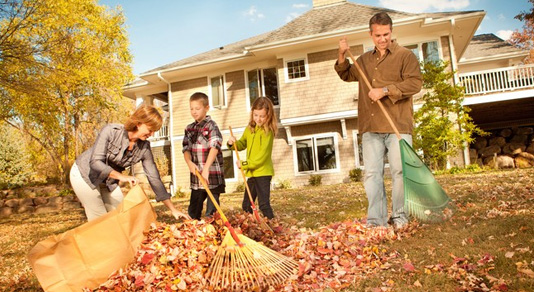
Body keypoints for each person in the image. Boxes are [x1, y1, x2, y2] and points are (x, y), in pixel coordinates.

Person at [334, 12, 422, 230]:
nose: (382, 39)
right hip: (371, 126)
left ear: (391, 32)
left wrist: (384, 91)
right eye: (378, 35)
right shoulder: (364, 60)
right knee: (372, 174)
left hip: (397, 125)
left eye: (386, 34)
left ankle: (400, 217)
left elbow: (415, 84)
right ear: (371, 35)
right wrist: (342, 54)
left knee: (400, 173)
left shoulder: (405, 56)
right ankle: (377, 221)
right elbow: (345, 74)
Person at [70, 104, 190, 221]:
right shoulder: (111, 131)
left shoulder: (144, 148)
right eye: (150, 129)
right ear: (138, 124)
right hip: (85, 175)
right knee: (100, 219)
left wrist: (173, 209)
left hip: (108, 181)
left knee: (124, 216)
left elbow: (154, 178)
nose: (152, 134)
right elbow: (95, 162)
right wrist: (122, 177)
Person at [227, 97, 277, 219]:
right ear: (252, 113)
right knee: (246, 205)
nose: (258, 119)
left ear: (268, 116)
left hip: (263, 174)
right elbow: (242, 144)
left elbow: (262, 157)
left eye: (262, 116)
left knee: (263, 204)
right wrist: (232, 143)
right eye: (256, 115)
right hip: (252, 174)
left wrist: (244, 164)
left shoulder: (267, 132)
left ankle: (273, 226)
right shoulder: (250, 129)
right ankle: (251, 226)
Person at [183, 92, 225, 220]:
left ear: (206, 108)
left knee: (211, 214)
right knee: (193, 212)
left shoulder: (211, 126)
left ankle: (212, 234)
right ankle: (194, 236)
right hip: (197, 179)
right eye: (191, 108)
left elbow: (215, 146)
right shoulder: (189, 129)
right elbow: (186, 148)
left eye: (197, 108)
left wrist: (206, 169)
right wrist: (189, 163)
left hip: (211, 175)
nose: (194, 112)